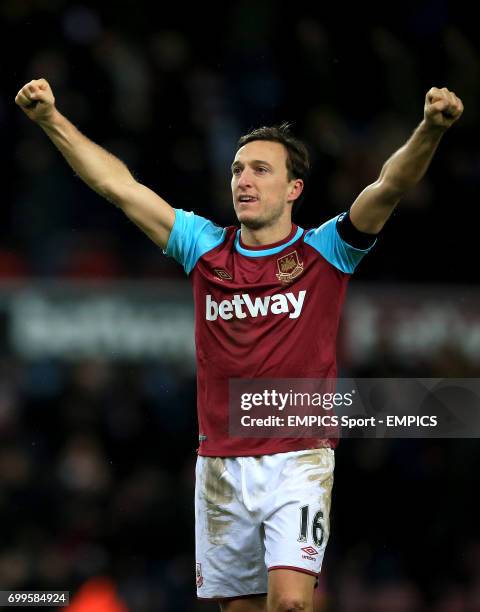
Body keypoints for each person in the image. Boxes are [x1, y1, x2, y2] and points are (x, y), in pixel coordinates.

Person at [15, 79, 463, 612]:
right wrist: (50, 120)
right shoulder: (202, 246)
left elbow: (389, 186)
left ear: (294, 189)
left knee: (292, 604)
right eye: (237, 170)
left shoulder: (327, 251)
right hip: (221, 465)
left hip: (300, 458)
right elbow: (120, 186)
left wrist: (431, 129)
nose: (243, 180)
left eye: (260, 170)